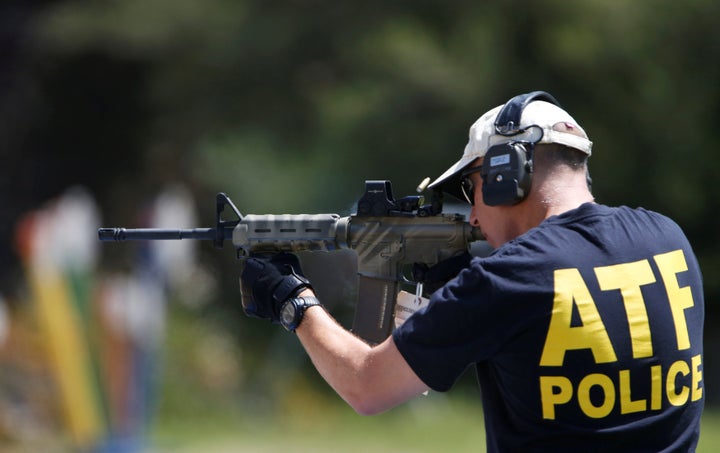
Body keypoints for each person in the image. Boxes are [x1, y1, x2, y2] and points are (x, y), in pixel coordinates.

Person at [240, 91, 705, 452]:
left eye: (472, 185)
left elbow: (366, 385)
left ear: (507, 171)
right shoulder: (668, 239)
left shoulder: (510, 278)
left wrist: (292, 300)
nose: (474, 215)